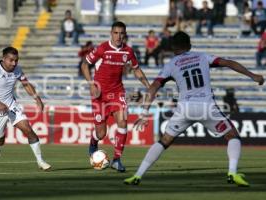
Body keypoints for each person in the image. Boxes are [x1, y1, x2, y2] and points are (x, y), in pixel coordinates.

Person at [124, 31, 264, 186]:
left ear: (172, 47)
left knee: (164, 141)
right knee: (233, 136)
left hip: (184, 109)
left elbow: (153, 88)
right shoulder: (202, 56)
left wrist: (144, 112)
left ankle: (137, 175)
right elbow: (229, 62)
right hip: (206, 107)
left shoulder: (171, 65)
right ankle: (232, 173)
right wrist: (253, 76)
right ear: (189, 45)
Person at [81, 21, 150, 172]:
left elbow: (136, 70)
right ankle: (93, 142)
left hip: (117, 92)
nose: (118, 36)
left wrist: (148, 86)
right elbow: (85, 65)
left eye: (121, 33)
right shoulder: (102, 48)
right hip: (99, 94)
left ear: (125, 34)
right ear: (111, 33)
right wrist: (91, 83)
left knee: (123, 121)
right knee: (101, 133)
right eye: (116, 33)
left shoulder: (128, 52)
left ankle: (117, 159)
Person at [0, 47, 51, 171]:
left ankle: (41, 161)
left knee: (28, 130)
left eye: (16, 60)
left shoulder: (17, 70)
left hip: (11, 105)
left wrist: (37, 99)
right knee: (0, 140)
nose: (14, 63)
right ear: (4, 59)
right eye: (11, 60)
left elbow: (26, 84)